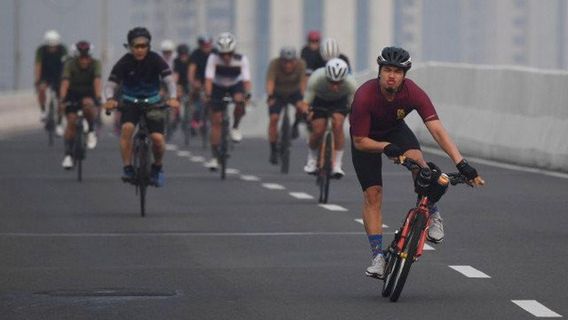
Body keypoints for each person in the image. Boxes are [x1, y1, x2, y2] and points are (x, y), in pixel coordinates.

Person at [349, 46, 485, 279]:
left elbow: (437, 130)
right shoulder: (364, 96)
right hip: (368, 139)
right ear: (380, 72)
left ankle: (433, 213)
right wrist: (384, 147)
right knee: (373, 195)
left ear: (405, 75)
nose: (392, 75)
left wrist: (461, 163)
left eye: (398, 71)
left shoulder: (413, 93)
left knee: (420, 165)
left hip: (394, 131)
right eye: (388, 70)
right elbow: (360, 141)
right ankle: (378, 258)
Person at [103, 27, 179, 187]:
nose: (140, 50)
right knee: (127, 129)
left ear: (148, 46)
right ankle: (128, 167)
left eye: (143, 46)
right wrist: (110, 99)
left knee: (158, 139)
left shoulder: (156, 59)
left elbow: (170, 81)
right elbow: (110, 85)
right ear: (130, 47)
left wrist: (173, 98)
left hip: (153, 102)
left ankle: (157, 168)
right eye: (136, 46)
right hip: (130, 102)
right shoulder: (124, 62)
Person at [203, 32, 252, 170]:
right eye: (222, 54)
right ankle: (214, 156)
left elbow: (247, 81)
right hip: (218, 86)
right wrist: (208, 95)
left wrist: (247, 95)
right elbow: (208, 79)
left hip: (235, 85)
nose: (225, 57)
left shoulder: (241, 59)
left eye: (229, 54)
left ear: (234, 51)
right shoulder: (213, 58)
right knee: (216, 121)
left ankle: (235, 127)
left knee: (239, 100)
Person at [301, 58, 356, 178]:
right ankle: (312, 159)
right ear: (326, 77)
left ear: (344, 79)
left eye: (339, 83)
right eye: (331, 82)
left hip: (339, 102)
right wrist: (306, 112)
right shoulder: (316, 78)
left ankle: (337, 164)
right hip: (319, 101)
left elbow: (355, 105)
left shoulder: (351, 83)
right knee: (318, 130)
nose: (335, 87)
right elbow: (305, 103)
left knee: (338, 124)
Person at [59, 41, 102, 169]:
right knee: (71, 121)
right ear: (77, 57)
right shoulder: (69, 64)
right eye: (81, 58)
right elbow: (65, 83)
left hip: (89, 92)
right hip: (73, 93)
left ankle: (91, 130)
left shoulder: (96, 64)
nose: (84, 61)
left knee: (88, 105)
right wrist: (62, 98)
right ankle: (68, 155)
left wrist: (98, 97)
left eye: (86, 58)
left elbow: (97, 81)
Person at [265, 46, 307, 164]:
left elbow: (303, 82)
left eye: (291, 62)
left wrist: (304, 99)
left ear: (295, 60)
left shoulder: (301, 64)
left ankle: (295, 125)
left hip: (294, 92)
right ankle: (273, 149)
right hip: (278, 93)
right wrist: (270, 96)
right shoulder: (274, 64)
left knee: (302, 107)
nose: (288, 65)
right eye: (285, 62)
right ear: (281, 60)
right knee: (274, 118)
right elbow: (270, 82)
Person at [35, 30, 68, 135]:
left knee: (61, 100)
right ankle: (43, 111)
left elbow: (67, 65)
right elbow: (38, 66)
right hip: (45, 75)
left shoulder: (63, 50)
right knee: (42, 89)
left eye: (54, 46)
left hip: (59, 75)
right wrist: (38, 80)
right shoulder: (41, 50)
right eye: (50, 47)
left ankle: (59, 123)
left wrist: (65, 80)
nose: (52, 49)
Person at [188, 35, 214, 133]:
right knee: (197, 95)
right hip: (199, 79)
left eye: (208, 45)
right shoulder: (195, 54)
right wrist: (193, 82)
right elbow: (191, 70)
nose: (207, 47)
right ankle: (194, 113)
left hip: (212, 80)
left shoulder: (215, 53)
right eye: (204, 45)